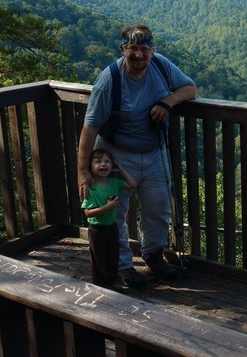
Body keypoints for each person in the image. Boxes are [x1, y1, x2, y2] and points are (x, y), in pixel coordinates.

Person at [77, 24, 197, 288]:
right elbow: (90, 127)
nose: (139, 55)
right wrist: (83, 171)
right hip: (117, 155)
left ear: (152, 51)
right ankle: (123, 266)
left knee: (158, 207)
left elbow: (190, 89)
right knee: (115, 213)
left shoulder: (161, 66)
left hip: (155, 152)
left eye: (144, 49)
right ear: (123, 50)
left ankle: (154, 255)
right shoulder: (110, 80)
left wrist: (167, 102)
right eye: (133, 49)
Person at [81, 149, 136, 291]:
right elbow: (88, 213)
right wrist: (108, 207)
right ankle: (101, 286)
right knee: (99, 259)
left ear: (112, 166)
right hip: (96, 229)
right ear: (90, 166)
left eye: (107, 161)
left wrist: (121, 170)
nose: (103, 164)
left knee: (113, 255)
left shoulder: (114, 183)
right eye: (98, 161)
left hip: (112, 226)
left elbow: (132, 184)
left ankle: (111, 283)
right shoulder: (90, 187)